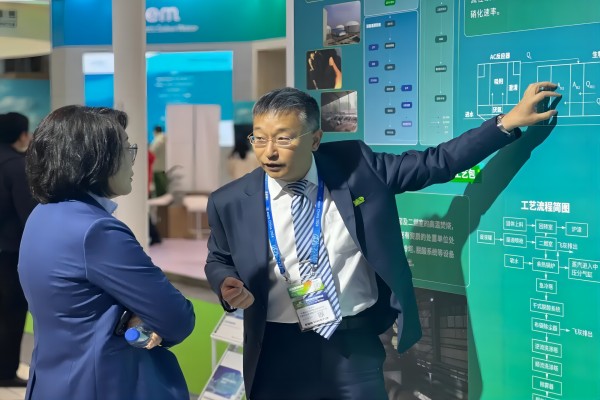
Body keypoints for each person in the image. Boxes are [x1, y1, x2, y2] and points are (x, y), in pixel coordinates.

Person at [204, 83, 561, 399]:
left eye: (284, 138)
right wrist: (225, 283)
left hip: (351, 343)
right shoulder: (230, 201)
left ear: (314, 139)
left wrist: (507, 123)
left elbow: (437, 163)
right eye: (259, 138)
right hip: (276, 348)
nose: (269, 152)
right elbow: (218, 259)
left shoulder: (359, 169)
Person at [19, 106, 195, 400]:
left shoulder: (42, 215)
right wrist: (141, 316)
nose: (133, 160)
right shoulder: (96, 231)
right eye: (126, 148)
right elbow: (176, 317)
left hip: (53, 382)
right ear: (94, 157)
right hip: (105, 384)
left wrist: (136, 314)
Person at [0, 112, 36, 388]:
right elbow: (30, 215)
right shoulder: (17, 166)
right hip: (10, 252)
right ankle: (5, 371)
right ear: (22, 135)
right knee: (11, 314)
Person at [149, 125, 168, 196]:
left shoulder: (158, 141)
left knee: (159, 188)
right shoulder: (164, 139)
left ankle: (160, 200)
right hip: (162, 166)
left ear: (155, 131)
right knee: (162, 186)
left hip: (157, 167)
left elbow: (152, 152)